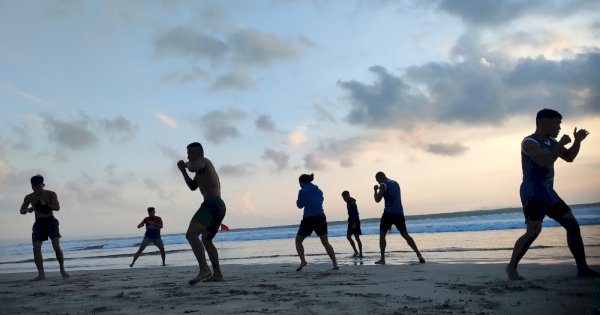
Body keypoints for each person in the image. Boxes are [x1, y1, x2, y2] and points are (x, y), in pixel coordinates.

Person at [506, 108, 599, 280]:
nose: (559, 127)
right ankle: (511, 267)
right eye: (556, 123)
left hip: (549, 192)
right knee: (533, 231)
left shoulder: (551, 142)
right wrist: (559, 144)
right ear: (543, 123)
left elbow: (569, 157)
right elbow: (546, 161)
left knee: (572, 225)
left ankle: (582, 268)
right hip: (532, 192)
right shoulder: (529, 143)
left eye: (560, 124)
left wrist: (577, 141)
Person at [177, 142, 226, 284]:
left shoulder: (204, 162)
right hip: (218, 206)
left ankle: (204, 269)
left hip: (212, 204)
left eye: (189, 153)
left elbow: (194, 166)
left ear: (197, 153)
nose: (187, 156)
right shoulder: (200, 171)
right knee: (207, 240)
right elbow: (193, 186)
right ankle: (218, 274)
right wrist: (183, 171)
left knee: (191, 234)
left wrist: (185, 165)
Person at [19, 174, 69, 280]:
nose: (37, 190)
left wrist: (46, 204)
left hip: (50, 221)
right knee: (36, 247)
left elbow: (57, 208)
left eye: (39, 187)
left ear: (43, 185)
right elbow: (21, 211)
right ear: (32, 187)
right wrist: (28, 210)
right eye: (35, 188)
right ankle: (41, 274)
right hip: (39, 222)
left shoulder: (51, 194)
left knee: (56, 246)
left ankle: (62, 270)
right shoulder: (29, 197)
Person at [373, 171, 425, 265]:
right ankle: (419, 255)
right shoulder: (395, 183)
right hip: (399, 213)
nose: (378, 183)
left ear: (379, 178)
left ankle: (382, 259)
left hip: (389, 213)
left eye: (377, 180)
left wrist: (375, 190)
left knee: (382, 234)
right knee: (405, 235)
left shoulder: (383, 185)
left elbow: (377, 200)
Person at [295, 173, 339, 271]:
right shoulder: (319, 190)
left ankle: (303, 261)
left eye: (299, 183)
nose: (299, 185)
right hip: (320, 217)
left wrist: (298, 202)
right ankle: (335, 264)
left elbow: (300, 205)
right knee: (325, 242)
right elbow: (320, 200)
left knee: (298, 240)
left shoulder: (302, 191)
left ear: (302, 182)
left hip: (309, 219)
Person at [341, 191, 363, 258]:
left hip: (355, 222)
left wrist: (354, 223)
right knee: (348, 237)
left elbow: (355, 213)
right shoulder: (349, 202)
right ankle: (356, 252)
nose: (343, 199)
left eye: (344, 197)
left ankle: (361, 254)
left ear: (347, 196)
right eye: (343, 198)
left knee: (357, 238)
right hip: (351, 221)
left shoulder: (351, 203)